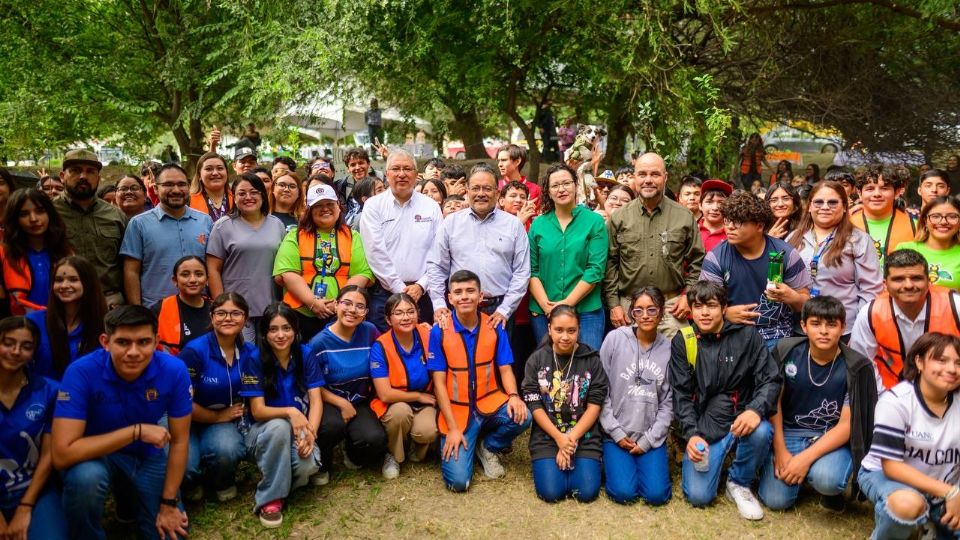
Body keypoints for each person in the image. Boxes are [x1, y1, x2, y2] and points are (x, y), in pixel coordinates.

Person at [52, 305, 192, 540]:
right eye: (123, 342)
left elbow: (180, 440)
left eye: (144, 342)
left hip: (145, 454)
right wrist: (135, 432)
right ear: (105, 342)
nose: (134, 352)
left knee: (169, 534)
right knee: (85, 479)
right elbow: (62, 454)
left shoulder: (174, 369)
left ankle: (129, 499)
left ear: (157, 340)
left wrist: (169, 502)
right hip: (95, 455)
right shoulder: (81, 372)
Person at [670, 281, 781, 520]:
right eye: (698, 307)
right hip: (705, 426)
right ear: (690, 310)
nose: (705, 313)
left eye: (711, 306)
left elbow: (771, 379)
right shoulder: (684, 340)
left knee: (761, 431)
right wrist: (691, 434)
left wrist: (755, 410)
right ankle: (717, 462)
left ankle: (739, 482)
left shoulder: (748, 335)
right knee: (699, 497)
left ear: (723, 307)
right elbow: (680, 393)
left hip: (742, 419)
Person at [758, 296, 878, 511]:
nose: (824, 331)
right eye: (816, 323)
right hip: (789, 433)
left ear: (842, 327)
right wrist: (781, 451)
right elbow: (773, 404)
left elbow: (846, 426)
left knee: (828, 481)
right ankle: (795, 474)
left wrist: (804, 459)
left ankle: (821, 481)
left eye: (831, 324)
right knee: (776, 501)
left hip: (829, 437)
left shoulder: (856, 366)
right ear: (803, 326)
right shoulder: (786, 351)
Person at [428, 270, 530, 491]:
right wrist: (453, 429)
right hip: (457, 411)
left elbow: (505, 370)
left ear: (480, 296)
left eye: (470, 291)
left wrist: (513, 396)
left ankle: (488, 447)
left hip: (490, 402)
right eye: (458, 292)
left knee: (523, 416)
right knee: (458, 483)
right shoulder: (440, 332)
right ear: (449, 298)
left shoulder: (494, 327)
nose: (464, 296)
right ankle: (462, 439)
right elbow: (438, 384)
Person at [858, 332, 960, 539]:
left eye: (958, 363)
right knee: (908, 504)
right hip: (886, 476)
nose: (951, 369)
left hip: (942, 483)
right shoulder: (896, 402)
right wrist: (951, 492)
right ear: (919, 362)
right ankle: (909, 522)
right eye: (941, 360)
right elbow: (891, 466)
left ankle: (927, 524)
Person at [605, 152, 705, 338]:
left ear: (665, 178)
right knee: (628, 365)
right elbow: (610, 264)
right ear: (634, 178)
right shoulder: (619, 217)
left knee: (679, 362)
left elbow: (698, 262)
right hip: (629, 308)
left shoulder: (683, 216)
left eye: (655, 174)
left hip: (671, 307)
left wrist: (688, 296)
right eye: (642, 174)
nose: (648, 180)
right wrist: (614, 304)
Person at [240, 303, 321, 528]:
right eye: (273, 329)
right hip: (262, 430)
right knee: (279, 426)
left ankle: (278, 478)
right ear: (264, 334)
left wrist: (311, 433)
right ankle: (270, 499)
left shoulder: (305, 353)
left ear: (295, 330)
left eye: (286, 328)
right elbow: (257, 410)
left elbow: (316, 400)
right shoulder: (254, 358)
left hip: (299, 427)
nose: (280, 335)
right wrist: (290, 412)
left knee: (308, 467)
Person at [700, 191, 812, 348]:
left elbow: (806, 303)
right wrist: (725, 314)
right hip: (731, 335)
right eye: (727, 220)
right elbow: (704, 305)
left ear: (759, 226)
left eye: (738, 222)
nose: (730, 227)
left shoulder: (786, 254)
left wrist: (792, 297)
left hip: (777, 336)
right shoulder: (716, 258)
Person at [428, 163, 530, 332]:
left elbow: (522, 272)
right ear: (467, 191)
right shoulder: (451, 223)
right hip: (461, 308)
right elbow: (437, 266)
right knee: (459, 358)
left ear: (497, 193)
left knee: (500, 359)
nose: (481, 194)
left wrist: (504, 310)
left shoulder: (513, 225)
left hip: (500, 311)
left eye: (487, 188)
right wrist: (438, 304)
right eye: (475, 188)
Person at [521, 304, 608, 502]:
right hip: (548, 436)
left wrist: (571, 438)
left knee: (585, 493)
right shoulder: (536, 360)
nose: (565, 337)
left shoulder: (592, 359)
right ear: (549, 329)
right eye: (559, 330)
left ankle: (591, 464)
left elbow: (595, 405)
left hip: (584, 435)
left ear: (579, 330)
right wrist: (559, 439)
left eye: (571, 330)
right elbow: (535, 405)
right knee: (551, 493)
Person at [598, 288, 674, 505]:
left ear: (661, 313)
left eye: (652, 309)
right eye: (638, 310)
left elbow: (668, 402)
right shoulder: (614, 339)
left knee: (656, 496)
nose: (645, 315)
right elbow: (600, 390)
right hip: (616, 433)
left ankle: (644, 462)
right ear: (631, 313)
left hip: (649, 436)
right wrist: (616, 432)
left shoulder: (668, 349)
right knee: (624, 493)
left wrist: (649, 440)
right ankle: (611, 460)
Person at [176, 293, 251, 503]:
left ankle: (221, 481)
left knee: (226, 449)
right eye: (221, 313)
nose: (228, 318)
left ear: (245, 319)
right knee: (186, 466)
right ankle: (192, 482)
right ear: (212, 316)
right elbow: (181, 402)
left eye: (236, 313)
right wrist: (216, 417)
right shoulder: (194, 352)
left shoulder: (249, 352)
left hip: (223, 420)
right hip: (187, 418)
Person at [274, 183, 374, 341]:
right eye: (318, 205)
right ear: (309, 210)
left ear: (338, 207)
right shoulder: (295, 235)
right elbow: (286, 273)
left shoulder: (352, 236)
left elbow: (362, 273)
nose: (325, 208)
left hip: (342, 314)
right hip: (300, 313)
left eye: (329, 204)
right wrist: (313, 303)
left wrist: (339, 304)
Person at [849, 249, 960, 390]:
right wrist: (885, 400)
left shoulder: (955, 305)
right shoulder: (871, 313)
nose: (908, 285)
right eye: (898, 279)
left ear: (929, 281)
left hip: (950, 388)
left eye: (916, 278)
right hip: (890, 388)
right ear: (885, 284)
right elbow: (862, 363)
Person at [360, 149, 443, 331]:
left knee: (425, 348)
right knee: (388, 350)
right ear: (387, 174)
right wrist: (400, 289)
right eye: (396, 169)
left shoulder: (431, 206)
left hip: (424, 293)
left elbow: (438, 252)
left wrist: (421, 286)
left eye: (407, 169)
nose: (402, 174)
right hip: (386, 294)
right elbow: (375, 252)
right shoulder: (373, 206)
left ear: (416, 174)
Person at [529, 163, 609, 350]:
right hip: (544, 311)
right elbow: (531, 270)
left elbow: (595, 269)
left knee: (587, 368)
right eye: (555, 185)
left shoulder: (594, 221)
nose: (561, 189)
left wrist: (566, 305)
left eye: (566, 183)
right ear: (548, 191)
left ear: (576, 185)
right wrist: (548, 307)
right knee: (550, 370)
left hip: (586, 310)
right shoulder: (538, 225)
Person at [787, 179, 883, 334]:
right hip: (799, 329)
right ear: (810, 206)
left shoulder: (858, 240)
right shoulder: (793, 238)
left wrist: (860, 329)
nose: (825, 207)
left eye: (832, 202)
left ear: (844, 207)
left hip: (843, 330)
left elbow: (870, 291)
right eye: (818, 202)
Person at [308, 286, 386, 474]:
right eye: (347, 303)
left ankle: (351, 451)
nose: (352, 310)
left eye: (360, 306)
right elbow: (312, 384)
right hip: (329, 401)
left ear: (366, 312)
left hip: (360, 400)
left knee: (375, 440)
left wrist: (420, 328)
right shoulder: (318, 343)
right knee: (331, 427)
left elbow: (389, 344)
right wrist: (341, 403)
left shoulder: (369, 331)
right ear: (336, 305)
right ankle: (323, 463)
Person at [0, 316, 66, 539]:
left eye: (26, 346)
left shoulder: (49, 391)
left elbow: (49, 454)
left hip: (34, 490)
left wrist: (25, 506)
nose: (16, 351)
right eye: (8, 343)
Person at [120, 163, 213, 310]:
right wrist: (138, 311)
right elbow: (131, 271)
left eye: (181, 184)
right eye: (168, 184)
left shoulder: (205, 221)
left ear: (189, 187)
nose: (176, 190)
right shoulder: (139, 224)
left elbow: (212, 266)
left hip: (200, 309)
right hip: (156, 310)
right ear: (156, 188)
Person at [207, 173, 286, 342]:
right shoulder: (222, 226)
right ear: (233, 197)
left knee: (268, 359)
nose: (248, 197)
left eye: (254, 192)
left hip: (271, 307)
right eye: (241, 193)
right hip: (236, 309)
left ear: (263, 196)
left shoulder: (277, 225)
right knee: (243, 359)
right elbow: (212, 270)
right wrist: (221, 306)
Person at [369, 293, 438, 480]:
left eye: (410, 311)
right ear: (388, 319)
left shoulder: (428, 334)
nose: (406, 317)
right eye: (398, 313)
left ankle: (417, 449)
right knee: (401, 413)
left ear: (418, 314)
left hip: (424, 397)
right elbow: (384, 394)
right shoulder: (380, 346)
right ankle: (393, 454)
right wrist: (417, 397)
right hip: (394, 402)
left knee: (428, 431)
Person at [52, 149, 127, 307]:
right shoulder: (48, 213)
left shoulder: (116, 216)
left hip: (110, 303)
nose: (83, 177)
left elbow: (128, 265)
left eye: (90, 171)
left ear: (98, 178)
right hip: (63, 301)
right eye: (75, 170)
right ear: (62, 176)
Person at [27, 256, 106, 381]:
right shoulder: (34, 322)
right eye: (58, 280)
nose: (64, 285)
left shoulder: (105, 323)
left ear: (88, 283)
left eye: (73, 280)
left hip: (87, 397)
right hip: (43, 397)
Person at [1, 188, 71, 315]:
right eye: (24, 214)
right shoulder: (4, 254)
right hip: (18, 328)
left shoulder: (66, 252)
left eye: (40, 211)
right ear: (14, 219)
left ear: (50, 214)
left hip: (61, 326)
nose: (33, 219)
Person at [850, 166, 915, 264]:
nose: (877, 194)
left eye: (884, 188)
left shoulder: (915, 225)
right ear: (860, 193)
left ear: (897, 193)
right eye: (870, 189)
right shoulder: (846, 224)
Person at [896, 196, 960, 290]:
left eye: (952, 216)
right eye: (935, 216)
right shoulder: (904, 250)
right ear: (925, 221)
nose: (943, 222)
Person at [155, 256, 211, 356]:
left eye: (199, 274)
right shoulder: (161, 308)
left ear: (207, 279)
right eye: (185, 275)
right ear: (175, 280)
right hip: (172, 368)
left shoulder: (217, 309)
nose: (193, 279)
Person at [189, 152, 233, 222]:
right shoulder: (188, 202)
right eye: (209, 169)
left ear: (227, 173)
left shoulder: (237, 199)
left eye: (220, 168)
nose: (215, 173)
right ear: (199, 175)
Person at [698, 179, 732, 252]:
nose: (715, 208)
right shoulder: (692, 230)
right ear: (700, 205)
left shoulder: (733, 233)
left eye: (721, 202)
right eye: (709, 202)